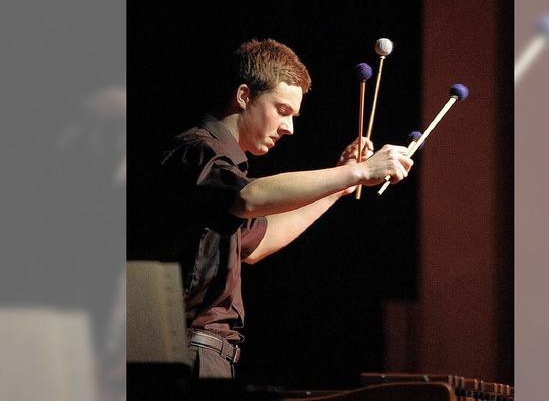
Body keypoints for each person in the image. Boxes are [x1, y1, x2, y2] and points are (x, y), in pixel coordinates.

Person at [158, 38, 413, 379]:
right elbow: (250, 197)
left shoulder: (224, 173)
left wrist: (337, 189)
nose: (289, 128)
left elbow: (258, 243)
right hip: (187, 353)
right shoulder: (196, 151)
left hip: (208, 354)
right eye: (282, 111)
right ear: (244, 95)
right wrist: (359, 170)